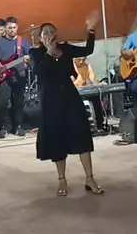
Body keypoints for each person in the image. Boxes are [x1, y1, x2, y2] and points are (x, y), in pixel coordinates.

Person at [29, 12, 104, 196]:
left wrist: (91, 30)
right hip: (51, 102)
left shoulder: (66, 48)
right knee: (57, 140)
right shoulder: (36, 53)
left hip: (70, 98)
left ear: (56, 34)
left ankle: (90, 178)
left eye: (52, 32)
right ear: (40, 38)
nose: (49, 35)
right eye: (45, 33)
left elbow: (88, 50)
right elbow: (39, 72)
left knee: (81, 135)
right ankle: (62, 180)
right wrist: (49, 52)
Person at [0, 16, 30, 138]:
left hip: (19, 75)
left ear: (17, 28)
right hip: (4, 76)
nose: (12, 30)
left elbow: (29, 56)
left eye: (14, 28)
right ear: (5, 28)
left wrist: (28, 60)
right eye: (9, 28)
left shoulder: (23, 42)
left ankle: (18, 126)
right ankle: (5, 127)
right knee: (3, 102)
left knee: (18, 102)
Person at [72, 57, 105, 131]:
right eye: (79, 60)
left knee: (96, 98)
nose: (81, 62)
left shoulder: (87, 66)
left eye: (83, 60)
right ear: (74, 59)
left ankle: (100, 124)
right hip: (73, 92)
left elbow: (93, 81)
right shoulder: (69, 67)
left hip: (84, 91)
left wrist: (98, 84)